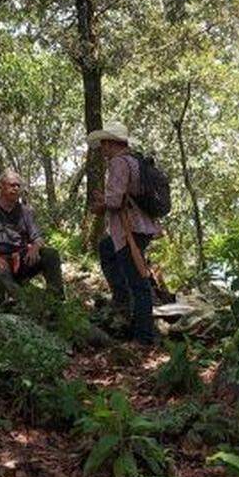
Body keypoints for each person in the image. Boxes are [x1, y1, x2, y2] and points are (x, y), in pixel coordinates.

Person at [87, 123, 162, 345]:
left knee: (139, 283)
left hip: (130, 230)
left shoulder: (119, 162)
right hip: (140, 227)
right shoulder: (135, 161)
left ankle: (143, 337)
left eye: (104, 145)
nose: (102, 150)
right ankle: (122, 301)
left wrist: (102, 204)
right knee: (106, 248)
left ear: (111, 143)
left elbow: (117, 200)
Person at [0, 171, 64, 302]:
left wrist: (35, 248)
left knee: (50, 254)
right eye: (12, 185)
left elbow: (38, 237)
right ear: (1, 187)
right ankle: (20, 301)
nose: (16, 188)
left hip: (21, 261)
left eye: (19, 186)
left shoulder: (25, 211)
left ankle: (56, 301)